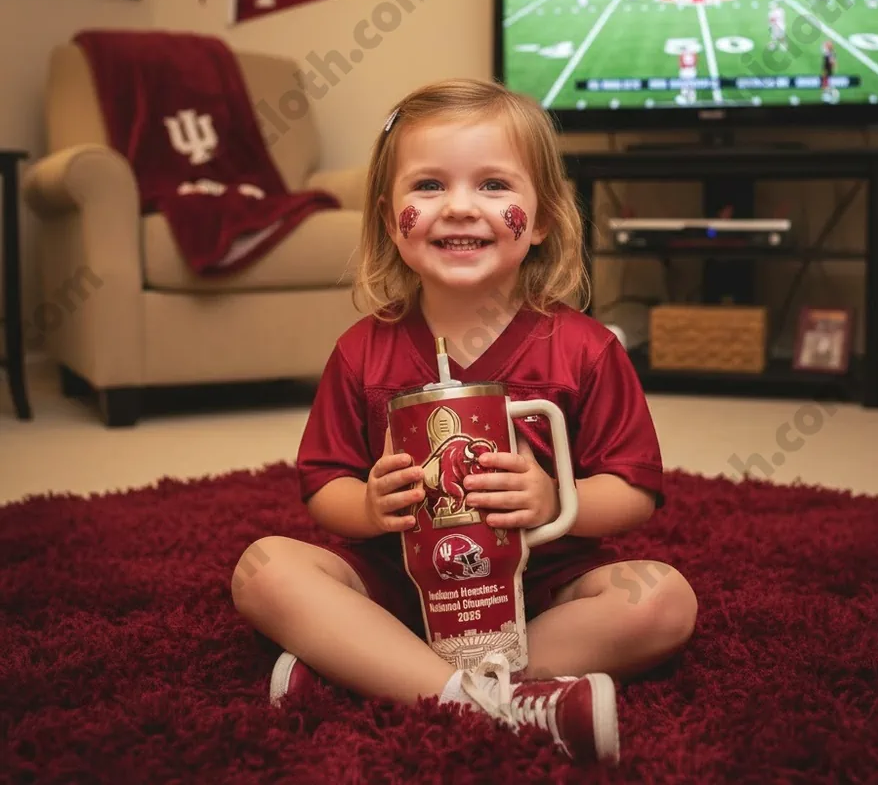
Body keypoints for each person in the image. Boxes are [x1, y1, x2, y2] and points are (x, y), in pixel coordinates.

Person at [231, 79, 697, 765]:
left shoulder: (587, 347)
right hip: (398, 585)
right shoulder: (361, 350)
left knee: (664, 599)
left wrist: (551, 499)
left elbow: (634, 493)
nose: (458, 207)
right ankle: (482, 699)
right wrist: (367, 504)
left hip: (541, 588)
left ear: (539, 220)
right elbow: (322, 487)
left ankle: (377, 673)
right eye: (428, 185)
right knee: (262, 569)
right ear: (392, 219)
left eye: (492, 185)